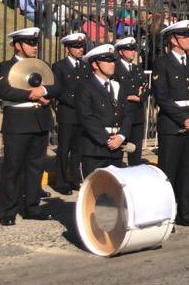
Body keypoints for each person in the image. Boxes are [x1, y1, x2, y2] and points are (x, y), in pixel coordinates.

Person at [0, 28, 56, 226]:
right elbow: (5, 91)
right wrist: (31, 94)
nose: (34, 46)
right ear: (18, 45)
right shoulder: (5, 66)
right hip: (18, 123)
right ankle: (7, 210)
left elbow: (56, 86)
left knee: (35, 167)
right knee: (13, 168)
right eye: (30, 43)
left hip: (40, 122)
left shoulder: (42, 65)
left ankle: (32, 207)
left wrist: (44, 90)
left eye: (36, 43)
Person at [152, 21, 189, 228]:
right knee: (169, 172)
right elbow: (162, 97)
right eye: (184, 37)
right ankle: (167, 215)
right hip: (173, 127)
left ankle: (187, 212)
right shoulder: (162, 63)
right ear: (173, 40)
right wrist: (184, 119)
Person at [76, 44, 134, 178]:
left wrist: (121, 136)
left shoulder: (117, 85)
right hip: (95, 149)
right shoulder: (85, 87)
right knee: (95, 193)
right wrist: (106, 140)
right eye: (107, 60)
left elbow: (128, 113)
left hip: (116, 146)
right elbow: (86, 117)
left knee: (115, 193)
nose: (112, 64)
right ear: (95, 65)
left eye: (113, 60)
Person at [50, 32, 90, 195]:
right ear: (68, 49)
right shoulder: (59, 66)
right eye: (76, 47)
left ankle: (75, 179)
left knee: (77, 149)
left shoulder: (85, 66)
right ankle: (61, 181)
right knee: (64, 148)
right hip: (67, 112)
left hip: (82, 114)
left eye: (81, 46)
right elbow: (58, 90)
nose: (80, 49)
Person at [112, 37, 148, 166]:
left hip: (137, 112)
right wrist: (127, 96)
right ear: (121, 51)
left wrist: (140, 97)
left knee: (135, 149)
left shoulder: (137, 69)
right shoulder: (114, 68)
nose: (133, 52)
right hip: (122, 113)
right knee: (119, 148)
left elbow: (145, 86)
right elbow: (113, 88)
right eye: (129, 49)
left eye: (134, 49)